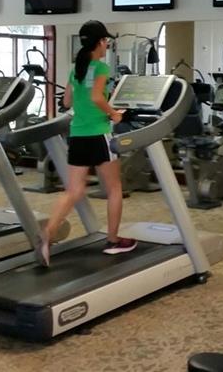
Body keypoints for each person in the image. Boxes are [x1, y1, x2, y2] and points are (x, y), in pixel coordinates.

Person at [36, 20, 135, 267]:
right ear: (100, 42)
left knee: (74, 190)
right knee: (114, 188)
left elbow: (68, 101)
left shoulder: (76, 69)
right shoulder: (100, 68)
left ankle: (48, 233)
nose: (107, 45)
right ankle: (112, 241)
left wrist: (88, 105)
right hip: (99, 133)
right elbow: (95, 97)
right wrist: (114, 113)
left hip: (77, 134)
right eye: (106, 41)